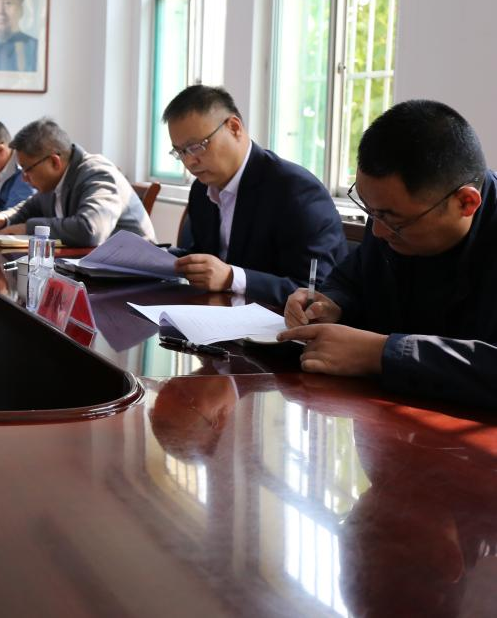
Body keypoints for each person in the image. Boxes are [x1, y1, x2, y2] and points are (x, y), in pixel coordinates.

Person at [280, 100, 497, 410]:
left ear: (466, 203)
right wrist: (332, 304)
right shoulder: (389, 214)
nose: (378, 231)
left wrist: (380, 354)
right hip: (383, 414)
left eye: (392, 220)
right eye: (370, 211)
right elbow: (351, 279)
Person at [163, 85, 346, 302]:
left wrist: (232, 278)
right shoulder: (201, 189)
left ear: (234, 128)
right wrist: (153, 257)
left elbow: (315, 291)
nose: (189, 162)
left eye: (196, 147)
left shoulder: (296, 191)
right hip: (218, 313)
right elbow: (205, 257)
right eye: (180, 152)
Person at [0, 119, 155, 247]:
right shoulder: (52, 182)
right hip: (94, 268)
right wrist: (5, 218)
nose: (24, 177)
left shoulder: (97, 173)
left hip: (136, 275)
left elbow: (90, 230)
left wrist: (29, 228)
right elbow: (29, 208)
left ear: (54, 162)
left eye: (27, 169)